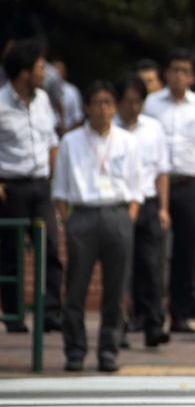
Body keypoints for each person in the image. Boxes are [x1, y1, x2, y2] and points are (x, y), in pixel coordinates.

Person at [54, 81, 142, 372]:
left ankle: (108, 350)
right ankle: (75, 350)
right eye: (97, 102)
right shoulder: (71, 141)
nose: (102, 108)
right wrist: (69, 221)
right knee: (76, 287)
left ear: (115, 107)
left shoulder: (127, 141)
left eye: (108, 102)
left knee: (116, 290)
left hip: (117, 213)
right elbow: (60, 190)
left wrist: (129, 216)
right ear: (86, 107)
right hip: (83, 214)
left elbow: (137, 186)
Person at [143, 49, 195, 333]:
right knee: (153, 251)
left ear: (192, 76)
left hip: (190, 185)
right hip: (156, 185)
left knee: (187, 251)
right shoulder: (151, 103)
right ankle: (149, 313)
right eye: (174, 70)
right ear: (166, 73)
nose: (178, 76)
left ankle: (180, 314)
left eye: (184, 71)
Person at [0, 39, 65, 333]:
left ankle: (50, 312)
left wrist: (56, 180)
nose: (44, 73)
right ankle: (14, 315)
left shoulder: (43, 101)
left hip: (41, 185)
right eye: (40, 67)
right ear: (24, 71)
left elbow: (52, 141)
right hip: (11, 187)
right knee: (11, 253)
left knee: (50, 248)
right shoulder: (1, 103)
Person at [114, 75, 171, 348]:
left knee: (151, 266)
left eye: (138, 102)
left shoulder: (153, 128)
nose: (133, 107)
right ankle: (119, 326)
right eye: (128, 102)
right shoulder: (110, 130)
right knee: (120, 269)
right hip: (120, 204)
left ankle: (153, 324)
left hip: (148, 203)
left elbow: (162, 170)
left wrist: (163, 207)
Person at [49, 58, 84, 133]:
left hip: (69, 131)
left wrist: (68, 133)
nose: (56, 74)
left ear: (65, 73)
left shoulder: (72, 91)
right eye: (54, 71)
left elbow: (78, 117)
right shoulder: (43, 91)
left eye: (59, 71)